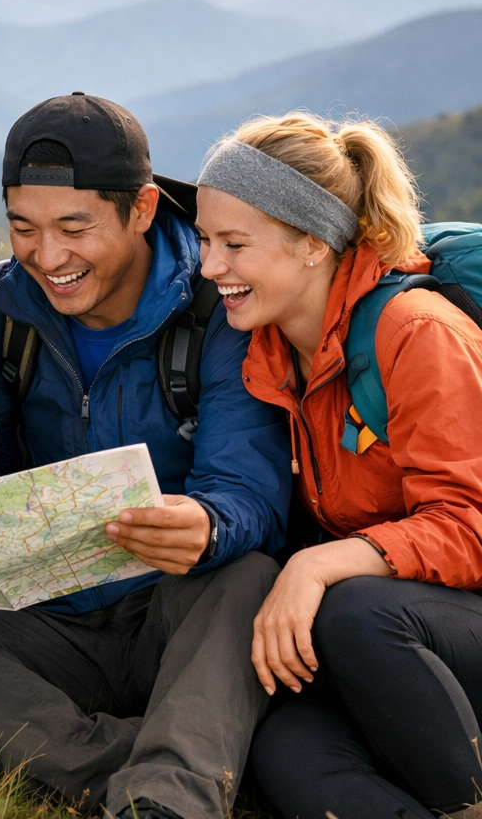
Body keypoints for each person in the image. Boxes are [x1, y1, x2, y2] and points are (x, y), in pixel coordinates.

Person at [0, 92, 292, 819]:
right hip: (46, 617)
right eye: (23, 228)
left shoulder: (217, 311)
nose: (47, 256)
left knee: (247, 577)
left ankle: (166, 802)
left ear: (144, 210)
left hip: (169, 613)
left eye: (73, 227)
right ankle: (139, 760)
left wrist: (207, 524)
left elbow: (251, 492)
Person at [194, 112, 482, 818]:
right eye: (204, 240)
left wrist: (320, 564)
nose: (210, 268)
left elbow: (472, 526)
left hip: (428, 620)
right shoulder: (267, 354)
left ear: (313, 244)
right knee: (286, 750)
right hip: (407, 640)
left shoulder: (417, 334)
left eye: (234, 244)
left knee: (353, 611)